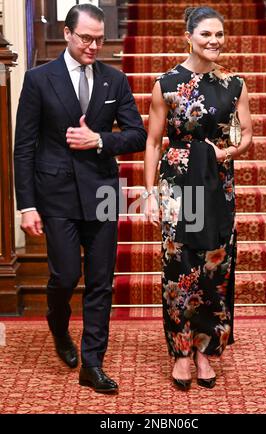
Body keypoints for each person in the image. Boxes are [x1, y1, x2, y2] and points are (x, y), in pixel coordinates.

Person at [14, 3, 146, 394]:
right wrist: (27, 204)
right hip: (54, 194)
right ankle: (58, 328)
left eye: (99, 39)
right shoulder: (39, 79)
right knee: (66, 276)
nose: (93, 46)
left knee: (102, 281)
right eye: (86, 38)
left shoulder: (114, 79)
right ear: (68, 33)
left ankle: (93, 363)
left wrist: (101, 140)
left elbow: (136, 134)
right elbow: (24, 146)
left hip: (103, 190)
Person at [143, 6, 252, 390]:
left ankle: (206, 352)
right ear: (189, 36)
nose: (214, 41)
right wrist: (149, 194)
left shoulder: (235, 84)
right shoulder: (167, 83)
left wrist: (229, 152)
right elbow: (153, 142)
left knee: (214, 271)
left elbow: (246, 135)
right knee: (179, 270)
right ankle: (181, 353)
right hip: (177, 185)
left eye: (219, 34)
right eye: (206, 34)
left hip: (218, 185)